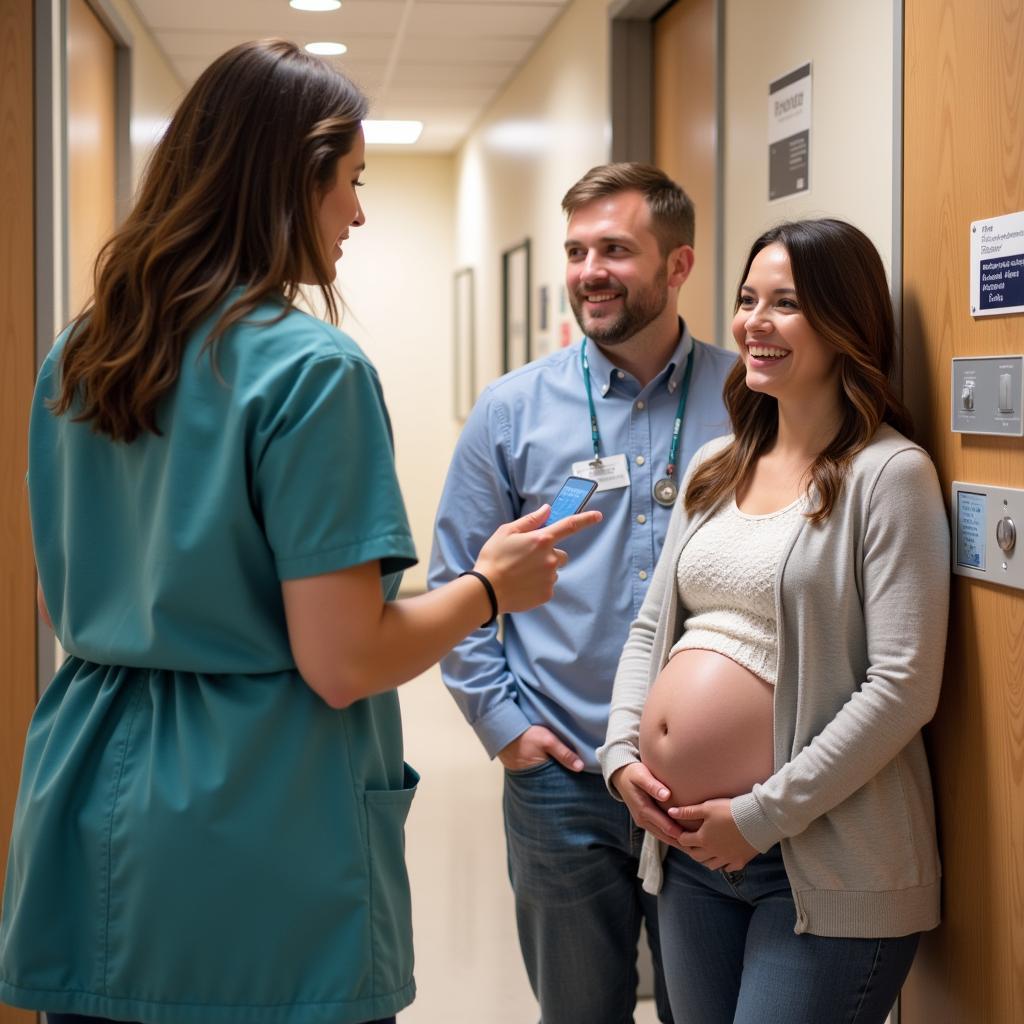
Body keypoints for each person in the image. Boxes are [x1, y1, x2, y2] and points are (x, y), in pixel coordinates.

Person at [0, 39, 600, 1024]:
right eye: (348, 183)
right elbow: (343, 659)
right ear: (287, 182)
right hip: (249, 837)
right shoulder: (311, 371)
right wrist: (490, 589)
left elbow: (59, 597)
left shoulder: (82, 354)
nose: (357, 212)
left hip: (87, 815)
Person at [598, 218, 949, 1024]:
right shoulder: (715, 467)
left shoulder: (888, 475)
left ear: (844, 323)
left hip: (818, 865)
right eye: (748, 298)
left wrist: (759, 818)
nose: (754, 322)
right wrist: (622, 757)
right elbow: (653, 631)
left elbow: (902, 688)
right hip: (690, 857)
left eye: (785, 303)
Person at [429, 163, 736, 1023]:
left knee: (702, 1009)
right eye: (575, 250)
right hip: (561, 771)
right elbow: (457, 580)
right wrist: (505, 728)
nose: (588, 270)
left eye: (615, 249)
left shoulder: (748, 400)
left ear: (678, 267)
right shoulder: (511, 411)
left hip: (702, 783)